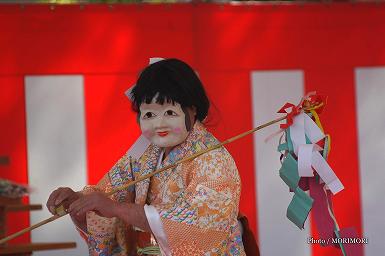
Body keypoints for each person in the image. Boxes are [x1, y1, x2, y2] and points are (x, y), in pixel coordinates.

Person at [46, 58, 246, 255]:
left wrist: (116, 209)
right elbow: (109, 195)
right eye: (149, 115)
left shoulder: (213, 160)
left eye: (169, 112)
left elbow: (199, 229)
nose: (159, 124)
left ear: (193, 108)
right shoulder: (145, 153)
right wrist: (79, 201)